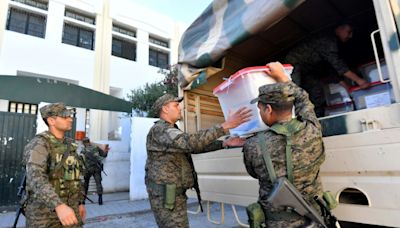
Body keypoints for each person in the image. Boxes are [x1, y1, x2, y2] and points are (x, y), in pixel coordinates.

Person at [145, 93, 252, 228]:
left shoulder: (169, 130)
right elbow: (191, 143)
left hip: (172, 194)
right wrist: (225, 126)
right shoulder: (160, 130)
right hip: (166, 196)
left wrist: (225, 143)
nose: (180, 108)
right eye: (176, 105)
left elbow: (192, 147)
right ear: (165, 109)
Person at [242, 62, 325, 227]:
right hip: (314, 218)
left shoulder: (253, 145)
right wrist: (282, 77)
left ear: (268, 109)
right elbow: (303, 100)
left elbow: (253, 173)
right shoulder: (312, 130)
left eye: (260, 109)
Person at [284, 22, 370, 117]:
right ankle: (292, 121)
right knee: (294, 93)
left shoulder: (334, 43)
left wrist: (348, 88)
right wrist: (360, 81)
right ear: (339, 29)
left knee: (317, 93)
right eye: (349, 32)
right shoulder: (328, 40)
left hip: (309, 70)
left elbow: (332, 69)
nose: (350, 36)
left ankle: (317, 120)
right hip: (295, 64)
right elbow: (338, 65)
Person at [23, 103, 86, 227]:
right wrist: (58, 205)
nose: (70, 118)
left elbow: (77, 176)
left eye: (70, 116)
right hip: (43, 215)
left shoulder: (71, 145)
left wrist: (80, 202)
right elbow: (36, 179)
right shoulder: (39, 145)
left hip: (71, 211)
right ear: (51, 120)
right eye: (65, 116)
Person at [81, 137, 109, 205]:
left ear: (84, 143)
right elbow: (104, 155)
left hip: (88, 169)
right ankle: (100, 200)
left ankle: (83, 200)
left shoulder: (83, 150)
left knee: (85, 184)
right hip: (97, 168)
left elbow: (81, 161)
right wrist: (106, 150)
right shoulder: (96, 147)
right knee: (98, 183)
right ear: (89, 141)